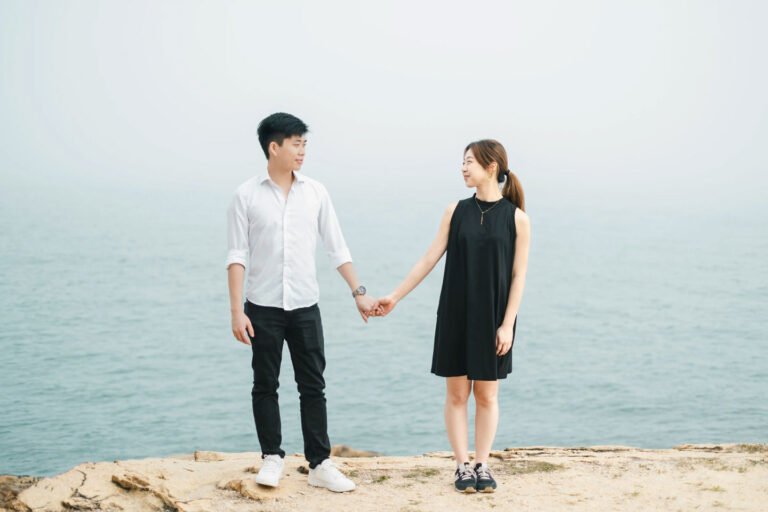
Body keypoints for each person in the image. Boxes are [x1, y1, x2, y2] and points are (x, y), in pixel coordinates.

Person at [226, 112, 379, 492]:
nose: (302, 150)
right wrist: (236, 312)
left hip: (306, 306)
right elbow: (236, 255)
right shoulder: (246, 195)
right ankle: (271, 457)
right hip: (261, 307)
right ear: (273, 147)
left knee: (313, 385)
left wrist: (359, 294)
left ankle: (319, 463)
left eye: (305, 143)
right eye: (296, 143)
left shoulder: (315, 192)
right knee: (265, 384)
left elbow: (336, 247)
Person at [375, 139, 530, 493]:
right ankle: (462, 466)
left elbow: (519, 275)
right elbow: (429, 259)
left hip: (493, 318)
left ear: (491, 167)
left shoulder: (517, 219)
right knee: (457, 395)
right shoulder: (454, 211)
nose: (463, 168)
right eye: (462, 162)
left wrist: (508, 325)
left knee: (487, 396)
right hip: (456, 314)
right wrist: (395, 296)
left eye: (469, 162)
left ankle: (483, 465)